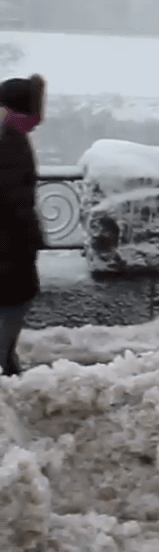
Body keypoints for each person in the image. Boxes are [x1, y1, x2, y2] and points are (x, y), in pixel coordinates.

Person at [0, 74, 45, 377]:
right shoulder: (9, 140)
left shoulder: (7, 133)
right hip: (9, 243)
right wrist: (32, 237)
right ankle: (4, 364)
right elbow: (15, 199)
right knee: (16, 303)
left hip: (8, 241)